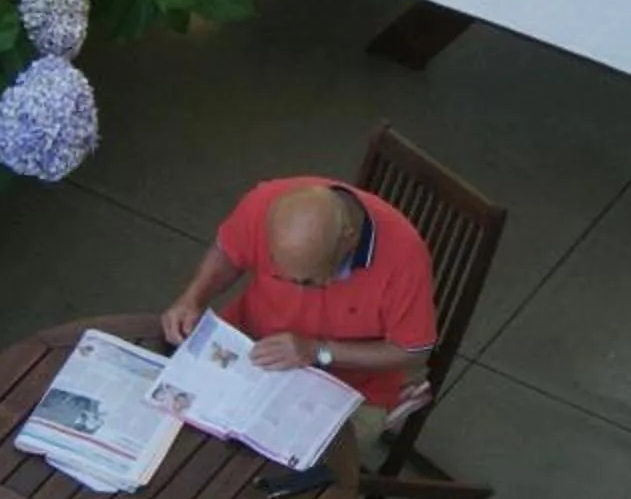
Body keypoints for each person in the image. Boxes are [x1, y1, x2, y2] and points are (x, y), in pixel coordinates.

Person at [161, 175, 438, 459]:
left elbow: (413, 352)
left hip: (348, 384)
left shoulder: (405, 261)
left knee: (284, 472)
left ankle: (402, 398)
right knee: (171, 423)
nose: (297, 288)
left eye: (308, 281)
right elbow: (228, 252)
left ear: (350, 239)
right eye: (282, 275)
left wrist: (318, 351)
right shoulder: (264, 203)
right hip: (247, 344)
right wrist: (192, 298)